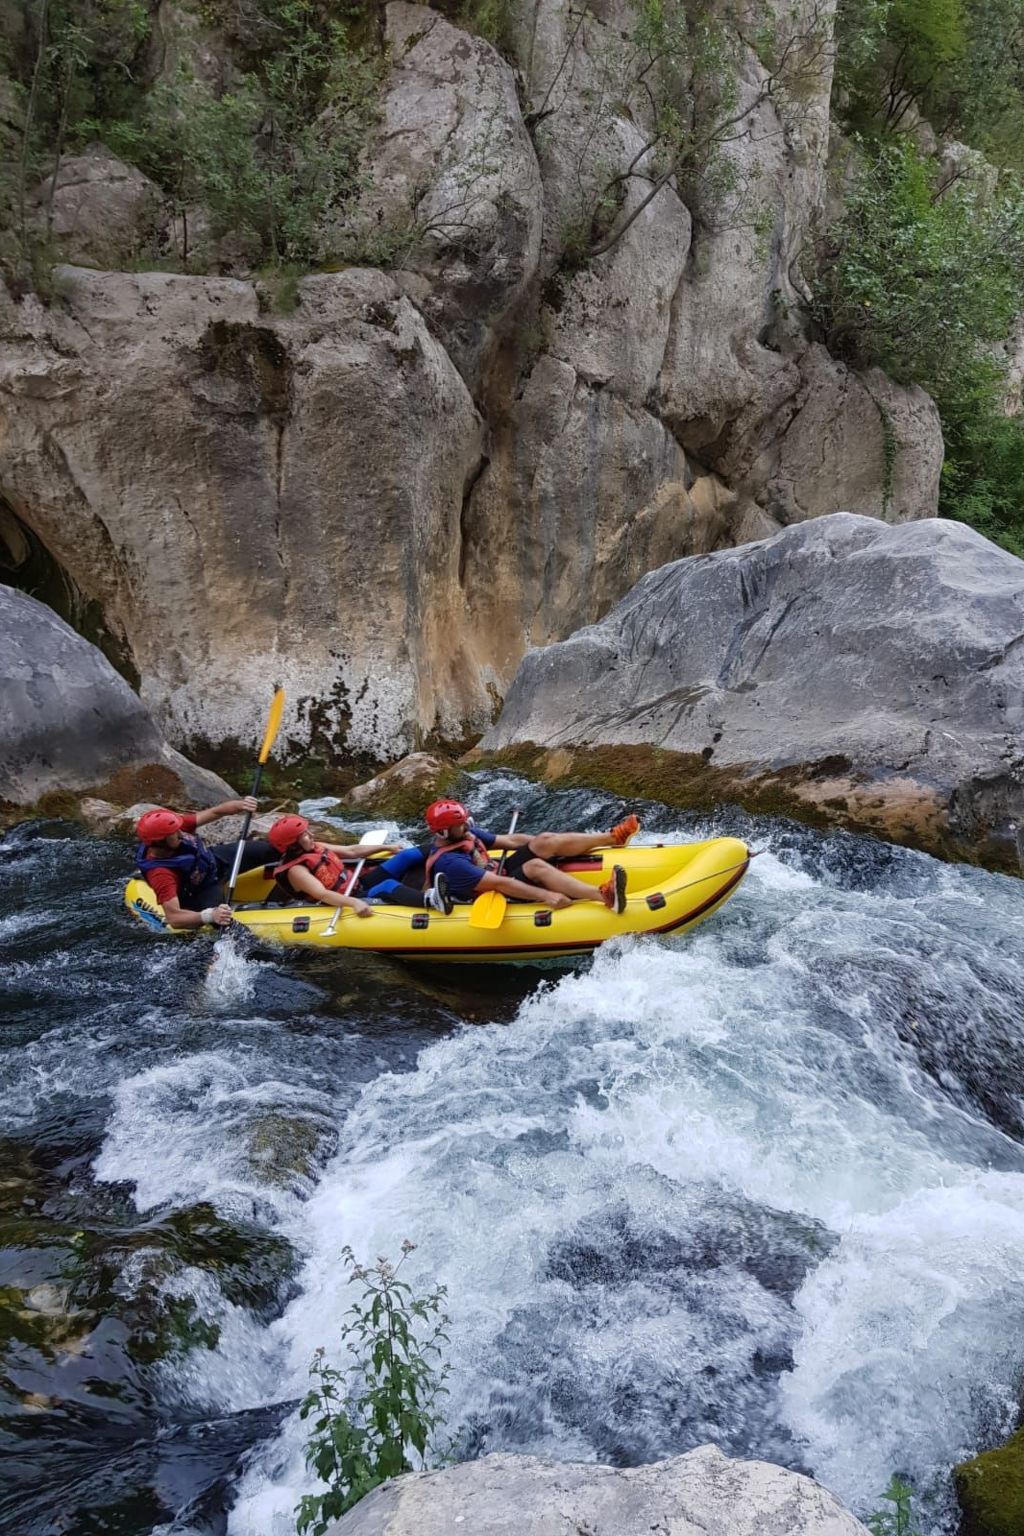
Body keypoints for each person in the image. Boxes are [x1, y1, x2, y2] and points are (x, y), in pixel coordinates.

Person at [422, 800, 640, 912]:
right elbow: (500, 884)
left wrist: (548, 844)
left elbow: (509, 841)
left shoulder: (464, 834)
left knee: (545, 840)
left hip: (498, 870)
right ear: (444, 832)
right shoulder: (450, 862)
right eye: (460, 824)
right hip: (490, 893)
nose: (467, 825)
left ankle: (613, 837)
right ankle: (604, 897)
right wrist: (547, 896)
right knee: (535, 866)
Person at [267, 816, 454, 916]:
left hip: (357, 882)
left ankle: (453, 847)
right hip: (351, 896)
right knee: (388, 886)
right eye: (305, 835)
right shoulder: (296, 871)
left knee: (406, 855)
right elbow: (322, 894)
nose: (311, 835)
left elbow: (351, 851)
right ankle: (431, 901)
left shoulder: (314, 848)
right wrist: (355, 903)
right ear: (292, 844)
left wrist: (385, 846)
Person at [135, 798, 274, 930]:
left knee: (270, 849)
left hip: (216, 862)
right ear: (159, 842)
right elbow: (174, 918)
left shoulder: (171, 829)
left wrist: (240, 805)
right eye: (174, 833)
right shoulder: (161, 874)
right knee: (229, 926)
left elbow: (216, 812)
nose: (180, 833)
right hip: (200, 892)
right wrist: (210, 915)